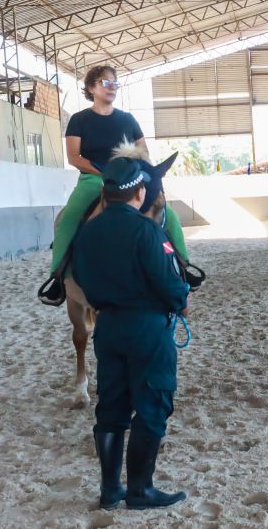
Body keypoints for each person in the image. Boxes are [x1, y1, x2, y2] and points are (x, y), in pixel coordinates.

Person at [73, 157, 189, 511]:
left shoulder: (87, 232)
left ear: (106, 193)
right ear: (140, 194)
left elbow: (84, 282)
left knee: (111, 407)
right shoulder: (147, 230)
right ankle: (140, 491)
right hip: (147, 329)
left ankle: (110, 490)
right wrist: (180, 299)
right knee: (153, 405)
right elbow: (168, 283)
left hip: (107, 327)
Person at [40, 65, 198, 306]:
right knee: (67, 219)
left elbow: (143, 154)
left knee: (169, 215)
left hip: (132, 178)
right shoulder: (79, 119)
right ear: (91, 87)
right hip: (94, 179)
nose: (112, 87)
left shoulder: (128, 119)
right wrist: (106, 172)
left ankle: (184, 266)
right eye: (106, 82)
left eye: (115, 83)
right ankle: (58, 277)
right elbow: (74, 157)